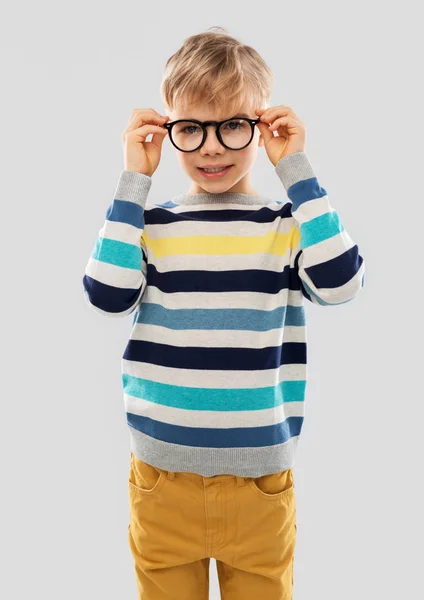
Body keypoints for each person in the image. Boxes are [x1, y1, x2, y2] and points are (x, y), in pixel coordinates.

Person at [82, 27, 365, 600]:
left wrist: (298, 169)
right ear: (169, 131)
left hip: (260, 482)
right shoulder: (153, 223)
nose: (211, 147)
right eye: (190, 128)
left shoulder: (285, 223)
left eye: (233, 125)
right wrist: (134, 181)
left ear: (263, 128)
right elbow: (106, 294)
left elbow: (341, 284)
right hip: (162, 480)